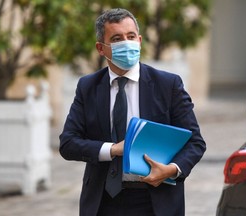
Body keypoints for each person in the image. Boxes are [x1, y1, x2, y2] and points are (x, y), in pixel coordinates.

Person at [59, 8, 206, 216]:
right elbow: (68, 144)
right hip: (103, 202)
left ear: (140, 40)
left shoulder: (168, 84)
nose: (126, 43)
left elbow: (195, 142)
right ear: (101, 48)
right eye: (117, 39)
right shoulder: (88, 87)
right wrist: (113, 149)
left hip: (155, 200)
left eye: (131, 37)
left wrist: (171, 169)